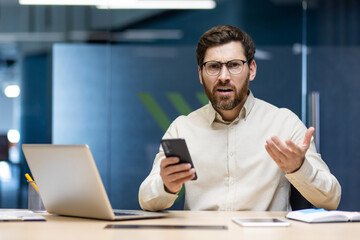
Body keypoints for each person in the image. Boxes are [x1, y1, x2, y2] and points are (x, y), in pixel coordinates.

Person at [138, 25, 341, 211]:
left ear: (251, 69)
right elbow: (146, 199)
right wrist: (165, 185)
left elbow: (331, 199)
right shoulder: (183, 128)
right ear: (200, 74)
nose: (224, 76)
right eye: (213, 66)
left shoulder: (284, 124)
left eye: (234, 65)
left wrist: (299, 168)